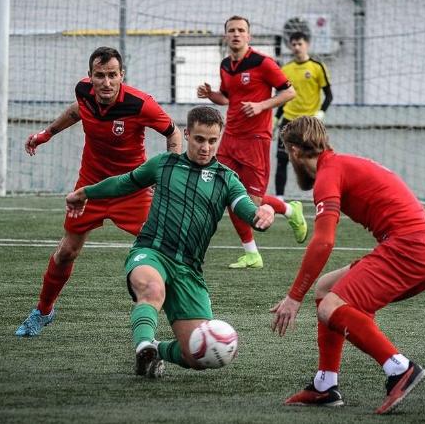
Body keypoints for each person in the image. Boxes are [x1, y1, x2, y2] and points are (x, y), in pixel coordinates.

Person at [270, 116, 425, 414]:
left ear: (294, 152)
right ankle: (325, 385)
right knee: (326, 288)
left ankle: (399, 368)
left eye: (287, 152)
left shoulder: (327, 175)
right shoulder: (344, 164)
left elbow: (323, 241)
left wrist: (293, 297)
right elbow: (416, 206)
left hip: (409, 249)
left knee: (330, 307)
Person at [64, 105, 275, 377]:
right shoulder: (164, 164)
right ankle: (143, 345)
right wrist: (85, 193)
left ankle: (155, 350)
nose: (206, 148)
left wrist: (261, 214)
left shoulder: (227, 179)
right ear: (187, 134)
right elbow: (123, 183)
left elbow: (246, 209)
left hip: (189, 270)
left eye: (212, 141)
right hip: (152, 251)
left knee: (198, 354)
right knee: (151, 289)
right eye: (199, 139)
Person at [15, 46, 182, 337]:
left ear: (122, 75)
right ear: (90, 77)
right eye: (100, 75)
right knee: (67, 252)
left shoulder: (141, 104)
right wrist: (46, 134)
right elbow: (75, 111)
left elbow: (173, 133)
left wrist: (168, 174)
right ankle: (43, 311)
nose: (106, 82)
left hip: (131, 188)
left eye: (112, 75)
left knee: (164, 249)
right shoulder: (83, 92)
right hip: (89, 188)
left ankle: (186, 319)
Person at [197, 15, 305, 270]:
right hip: (230, 138)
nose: (236, 34)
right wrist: (211, 94)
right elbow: (227, 98)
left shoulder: (262, 63)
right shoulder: (226, 65)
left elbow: (289, 92)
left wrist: (261, 106)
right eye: (232, 30)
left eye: (241, 30)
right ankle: (252, 254)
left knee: (252, 204)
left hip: (256, 139)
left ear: (249, 36)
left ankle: (291, 211)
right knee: (226, 193)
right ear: (226, 35)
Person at [274, 31, 332, 200]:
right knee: (282, 159)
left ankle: (322, 195)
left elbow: (329, 95)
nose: (297, 47)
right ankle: (279, 198)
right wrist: (276, 119)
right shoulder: (286, 69)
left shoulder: (317, 67)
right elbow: (283, 97)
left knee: (318, 160)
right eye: (294, 44)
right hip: (289, 121)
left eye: (300, 43)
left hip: (310, 123)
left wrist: (320, 113)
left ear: (307, 44)